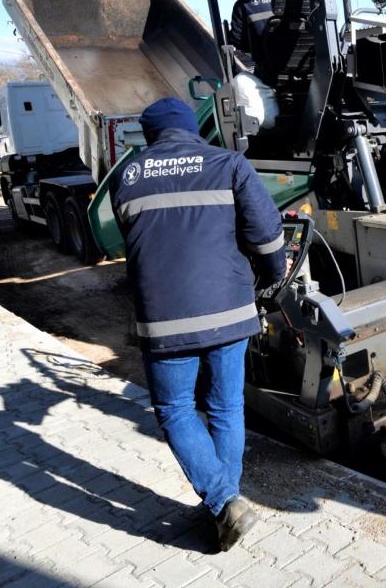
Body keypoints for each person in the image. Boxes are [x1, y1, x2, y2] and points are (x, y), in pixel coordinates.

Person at [109, 97, 285, 551]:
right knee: (226, 408)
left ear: (150, 135)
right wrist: (272, 278)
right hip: (229, 313)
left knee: (176, 410)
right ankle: (226, 502)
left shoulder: (127, 175)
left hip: (164, 321)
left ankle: (225, 504)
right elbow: (267, 237)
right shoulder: (229, 164)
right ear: (193, 128)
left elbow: (134, 240)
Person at [227, 0, 280, 72]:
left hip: (266, 69)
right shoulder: (291, 0)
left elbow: (237, 39)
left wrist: (255, 48)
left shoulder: (242, 4)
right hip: (303, 64)